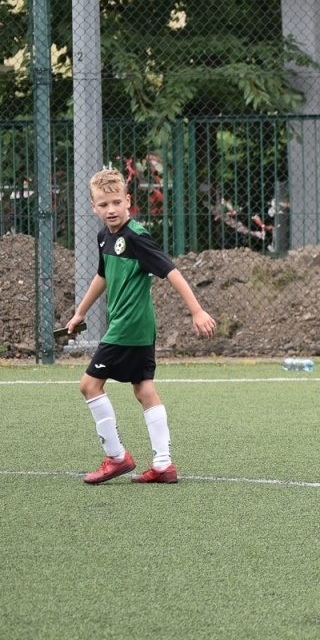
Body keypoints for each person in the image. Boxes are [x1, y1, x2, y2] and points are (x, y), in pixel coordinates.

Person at [64, 168, 217, 484]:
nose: (110, 210)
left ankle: (117, 458)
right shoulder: (105, 236)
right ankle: (163, 465)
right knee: (144, 389)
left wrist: (197, 311)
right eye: (103, 204)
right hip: (136, 327)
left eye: (116, 202)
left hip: (128, 327)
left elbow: (171, 272)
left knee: (89, 386)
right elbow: (102, 276)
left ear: (128, 202)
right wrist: (80, 312)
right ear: (94, 207)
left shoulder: (136, 237)